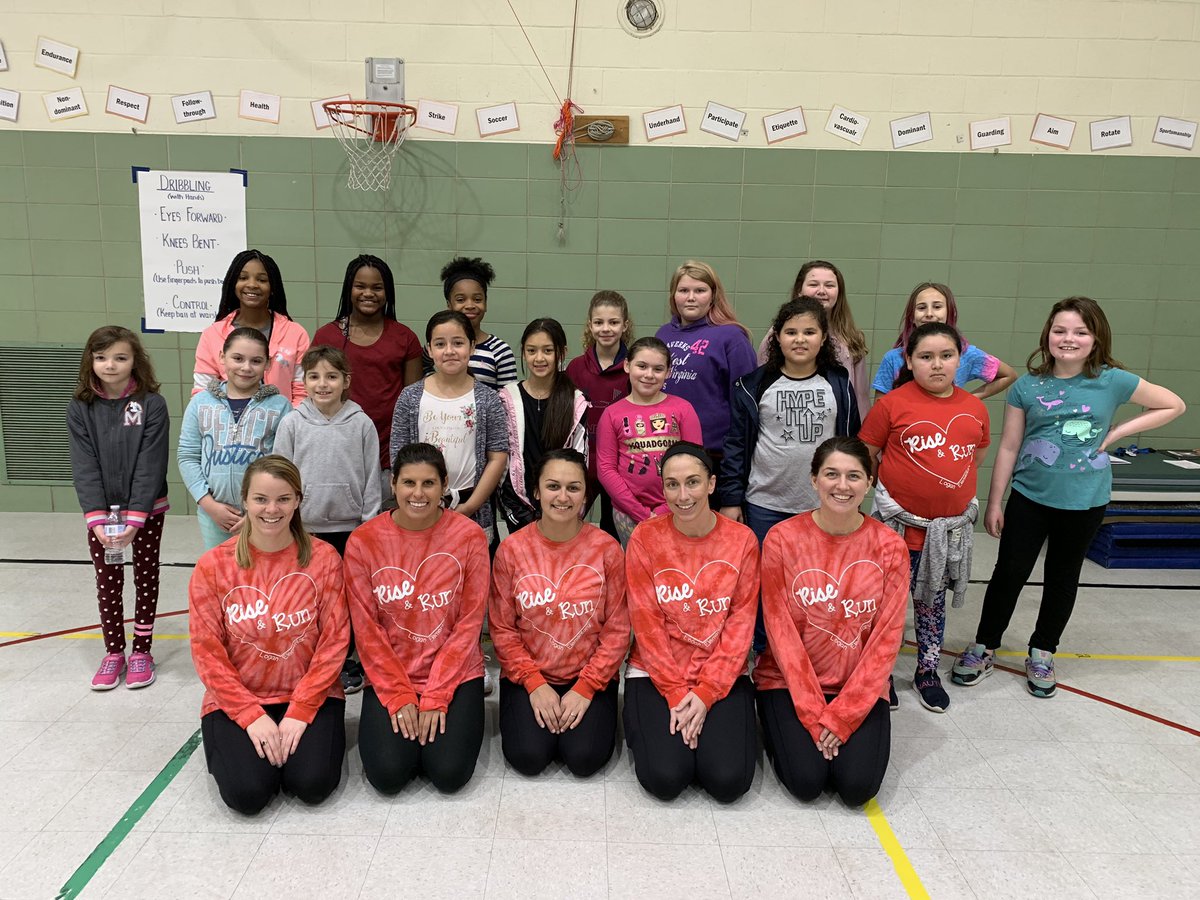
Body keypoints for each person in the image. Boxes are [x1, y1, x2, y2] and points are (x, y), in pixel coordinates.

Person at [953, 297, 1185, 697]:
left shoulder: (1113, 381)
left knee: (1062, 577)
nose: (1068, 339)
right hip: (1029, 496)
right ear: (1048, 334)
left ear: (1096, 338)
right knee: (1009, 573)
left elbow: (1173, 404)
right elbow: (1009, 446)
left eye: (1080, 331)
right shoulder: (1027, 386)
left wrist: (1117, 433)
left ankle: (1043, 651)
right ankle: (984, 646)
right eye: (1060, 330)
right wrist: (995, 501)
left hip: (1085, 500)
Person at [189, 456, 350, 815]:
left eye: (283, 499)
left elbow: (335, 642)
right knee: (247, 795)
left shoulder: (324, 559)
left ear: (298, 501)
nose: (272, 509)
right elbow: (207, 652)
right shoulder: (213, 566)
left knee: (312, 784)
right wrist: (250, 715)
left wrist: (301, 710)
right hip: (239, 697)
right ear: (245, 500)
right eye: (261, 499)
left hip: (311, 694)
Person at [756, 437, 908, 806]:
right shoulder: (782, 539)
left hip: (858, 685)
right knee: (806, 782)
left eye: (853, 476)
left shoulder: (890, 546)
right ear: (814, 480)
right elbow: (779, 632)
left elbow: (886, 640)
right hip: (788, 682)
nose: (842, 485)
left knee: (857, 789)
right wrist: (812, 711)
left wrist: (845, 714)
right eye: (831, 474)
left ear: (869, 482)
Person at [859, 323, 991, 713]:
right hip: (897, 530)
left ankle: (927, 671)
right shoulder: (891, 405)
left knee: (932, 605)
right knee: (885, 606)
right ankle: (880, 673)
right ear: (909, 360)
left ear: (960, 360)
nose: (937, 364)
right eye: (926, 356)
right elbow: (867, 453)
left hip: (945, 536)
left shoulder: (974, 407)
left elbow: (976, 456)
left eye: (946, 356)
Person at [718, 297, 861, 654]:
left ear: (823, 338)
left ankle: (810, 648)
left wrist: (851, 496)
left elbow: (851, 441)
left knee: (815, 584)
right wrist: (731, 499)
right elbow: (736, 446)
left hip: (821, 507)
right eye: (791, 332)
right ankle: (764, 650)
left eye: (809, 332)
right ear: (777, 338)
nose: (800, 339)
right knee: (765, 583)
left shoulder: (837, 382)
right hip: (765, 503)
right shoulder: (754, 385)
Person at [345, 442, 488, 794]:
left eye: (429, 483)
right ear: (393, 483)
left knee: (449, 773)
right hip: (392, 672)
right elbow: (367, 631)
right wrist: (398, 695)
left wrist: (437, 695)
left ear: (444, 485)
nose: (418, 494)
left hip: (456, 672)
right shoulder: (364, 541)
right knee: (388, 775)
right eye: (409, 483)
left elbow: (469, 625)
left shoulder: (469, 537)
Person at [622, 442, 759, 803]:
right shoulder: (645, 538)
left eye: (693, 482)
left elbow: (741, 625)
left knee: (728, 781)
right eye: (672, 484)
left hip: (722, 673)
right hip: (655, 672)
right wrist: (676, 693)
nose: (683, 495)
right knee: (665, 778)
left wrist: (706, 692)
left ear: (711, 484)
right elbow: (647, 626)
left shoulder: (742, 540)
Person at [489, 450, 629, 777]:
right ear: (536, 492)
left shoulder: (607, 549)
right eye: (553, 486)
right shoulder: (512, 550)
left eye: (573, 488)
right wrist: (534, 683)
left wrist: (587, 686)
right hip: (528, 675)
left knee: (584, 758)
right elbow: (503, 629)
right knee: (528, 757)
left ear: (585, 495)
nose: (563, 497)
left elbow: (618, 630)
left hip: (589, 675)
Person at [67, 326, 170, 690]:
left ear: (135, 361)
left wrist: (136, 517)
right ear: (90, 361)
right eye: (101, 357)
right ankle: (114, 652)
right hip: (103, 516)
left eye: (120, 357)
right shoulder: (80, 408)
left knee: (146, 577)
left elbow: (151, 463)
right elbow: (84, 465)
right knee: (108, 581)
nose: (110, 365)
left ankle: (142, 651)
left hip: (147, 512)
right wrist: (96, 518)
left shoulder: (151, 405)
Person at [274, 345, 380, 694]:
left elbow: (372, 477)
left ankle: (347, 660)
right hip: (306, 529)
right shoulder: (292, 423)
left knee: (347, 599)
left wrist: (368, 524)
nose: (323, 384)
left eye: (332, 376)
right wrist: (287, 521)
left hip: (350, 529)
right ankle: (310, 657)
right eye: (315, 376)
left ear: (346, 381)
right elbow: (281, 476)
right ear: (304, 381)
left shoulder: (361, 423)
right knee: (311, 597)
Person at [390, 310, 509, 539]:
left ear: (472, 347)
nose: (449, 351)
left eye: (458, 343)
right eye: (440, 344)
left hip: (471, 508)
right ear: (429, 349)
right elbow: (398, 455)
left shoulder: (487, 399)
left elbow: (497, 457)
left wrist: (470, 506)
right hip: (420, 505)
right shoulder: (410, 397)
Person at [312, 255, 423, 493]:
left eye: (377, 287)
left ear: (388, 292)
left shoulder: (405, 338)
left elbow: (412, 403)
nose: (368, 293)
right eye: (360, 286)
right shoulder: (327, 336)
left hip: (389, 457)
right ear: (348, 289)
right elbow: (314, 396)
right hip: (338, 453)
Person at [178, 327, 292, 550]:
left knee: (263, 569)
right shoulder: (200, 403)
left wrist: (259, 512)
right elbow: (187, 456)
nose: (246, 367)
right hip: (214, 514)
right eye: (238, 358)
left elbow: (285, 464)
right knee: (221, 569)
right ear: (222, 357)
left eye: (256, 361)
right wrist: (208, 504)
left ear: (268, 364)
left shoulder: (280, 406)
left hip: (265, 515)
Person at [595, 337, 703, 546]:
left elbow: (696, 464)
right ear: (627, 365)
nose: (649, 375)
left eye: (658, 369)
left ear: (668, 372)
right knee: (637, 563)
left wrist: (665, 509)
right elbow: (606, 469)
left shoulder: (683, 409)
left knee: (675, 563)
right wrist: (640, 513)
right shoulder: (612, 414)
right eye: (642, 366)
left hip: (680, 507)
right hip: (628, 513)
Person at [655, 261, 757, 461]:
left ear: (713, 296)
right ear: (673, 295)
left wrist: (736, 454)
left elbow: (745, 404)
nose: (691, 297)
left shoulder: (732, 337)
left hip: (714, 453)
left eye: (700, 290)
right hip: (665, 447)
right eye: (683, 290)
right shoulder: (663, 334)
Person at [497, 318, 588, 530]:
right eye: (531, 350)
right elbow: (502, 462)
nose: (539, 358)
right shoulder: (507, 399)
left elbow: (579, 463)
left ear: (562, 352)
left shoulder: (576, 402)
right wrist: (518, 512)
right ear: (523, 352)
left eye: (548, 350)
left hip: (561, 507)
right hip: (518, 508)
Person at [193, 249, 310, 406]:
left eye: (262, 280)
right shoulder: (212, 334)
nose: (252, 285)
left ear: (273, 286)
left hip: (284, 420)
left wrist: (287, 420)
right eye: (243, 278)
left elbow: (303, 392)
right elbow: (203, 393)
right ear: (233, 283)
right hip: (227, 421)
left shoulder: (295, 334)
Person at [757, 261, 870, 415]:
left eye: (829, 285)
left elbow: (861, 396)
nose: (821, 291)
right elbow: (760, 384)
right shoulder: (778, 335)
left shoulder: (851, 336)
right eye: (813, 284)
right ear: (799, 290)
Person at [871, 282, 1017, 400]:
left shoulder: (965, 353)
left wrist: (969, 400)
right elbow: (880, 406)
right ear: (912, 317)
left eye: (937, 307)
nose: (929, 313)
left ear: (949, 313)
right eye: (921, 308)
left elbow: (1008, 375)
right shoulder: (893, 358)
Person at [565, 290, 633, 538]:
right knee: (569, 525)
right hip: (582, 462)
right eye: (599, 322)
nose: (606, 329)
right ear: (590, 325)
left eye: (613, 322)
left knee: (613, 530)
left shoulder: (634, 369)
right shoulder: (575, 368)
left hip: (618, 465)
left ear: (625, 325)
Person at [423, 256, 517, 388]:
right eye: (460, 300)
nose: (470, 305)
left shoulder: (500, 350)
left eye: (477, 299)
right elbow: (422, 366)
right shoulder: (438, 344)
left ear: (486, 303)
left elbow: (508, 397)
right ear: (449, 305)